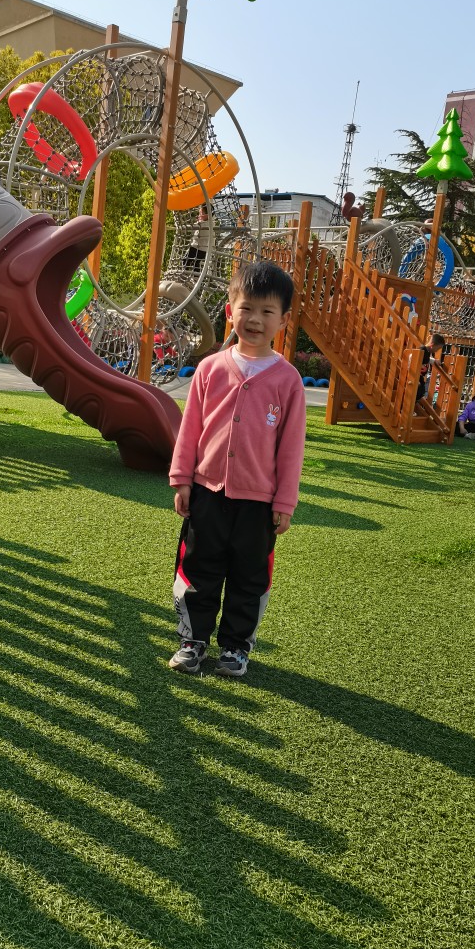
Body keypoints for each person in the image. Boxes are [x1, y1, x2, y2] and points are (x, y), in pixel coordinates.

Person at [167, 261, 307, 678]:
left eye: (267, 311)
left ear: (283, 320)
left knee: (250, 577)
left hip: (258, 505)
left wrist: (284, 502)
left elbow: (291, 448)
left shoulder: (288, 381)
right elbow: (190, 427)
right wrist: (182, 479)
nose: (255, 320)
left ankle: (235, 647)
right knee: (198, 569)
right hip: (207, 494)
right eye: (247, 308)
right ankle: (192, 640)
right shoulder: (210, 369)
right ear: (230, 311)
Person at [417, 332, 446, 401]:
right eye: (438, 348)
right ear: (432, 345)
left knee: (421, 392)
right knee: (418, 392)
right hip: (416, 377)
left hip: (420, 377)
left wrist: (434, 361)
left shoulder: (427, 352)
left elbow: (427, 359)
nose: (437, 350)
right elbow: (412, 358)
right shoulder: (422, 349)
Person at [183, 205, 211, 274]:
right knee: (196, 263)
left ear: (207, 215)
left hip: (197, 248)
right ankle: (195, 276)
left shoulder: (203, 224)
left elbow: (193, 228)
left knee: (186, 259)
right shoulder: (209, 223)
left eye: (200, 213)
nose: (199, 215)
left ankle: (185, 273)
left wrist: (184, 227)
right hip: (203, 249)